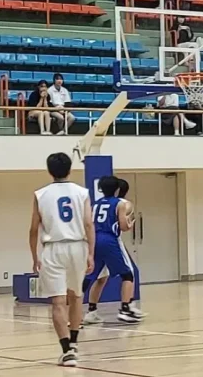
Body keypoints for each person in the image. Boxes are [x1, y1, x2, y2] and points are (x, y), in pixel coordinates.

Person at [29, 152, 95, 366]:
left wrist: (34, 256)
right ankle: (74, 344)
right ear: (70, 169)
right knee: (76, 296)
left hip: (53, 247)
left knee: (58, 301)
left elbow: (33, 229)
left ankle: (66, 350)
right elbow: (88, 224)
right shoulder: (82, 192)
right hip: (78, 246)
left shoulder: (40, 194)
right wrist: (91, 253)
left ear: (49, 171)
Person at [83, 178, 146, 324]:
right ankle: (126, 309)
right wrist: (130, 223)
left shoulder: (96, 204)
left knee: (98, 278)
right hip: (110, 240)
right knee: (128, 275)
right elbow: (123, 226)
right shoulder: (120, 204)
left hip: (95, 239)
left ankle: (90, 311)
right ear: (117, 189)